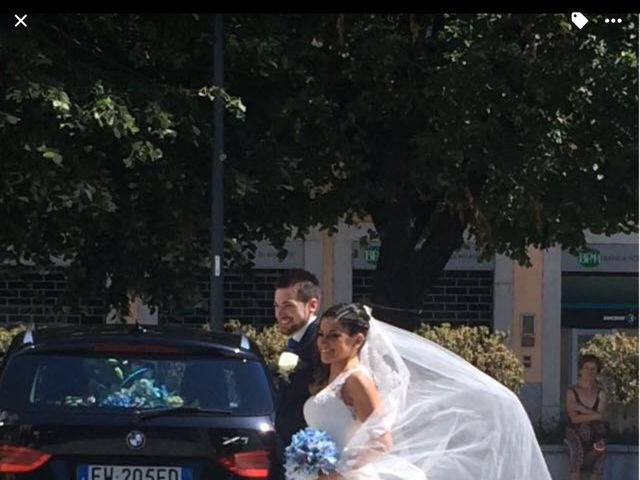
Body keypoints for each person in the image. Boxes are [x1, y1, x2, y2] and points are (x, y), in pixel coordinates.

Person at [301, 303, 552, 480]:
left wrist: (338, 470)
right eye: (322, 334)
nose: (324, 342)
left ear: (357, 340)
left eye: (334, 335)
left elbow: (381, 442)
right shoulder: (331, 380)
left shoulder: (357, 381)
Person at [273, 269, 322, 465]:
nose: (280, 314)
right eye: (276, 306)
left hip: (312, 451)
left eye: (288, 306)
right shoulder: (295, 342)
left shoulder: (320, 343)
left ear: (312, 305)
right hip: (291, 449)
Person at [564, 354, 608, 480]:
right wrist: (596, 415)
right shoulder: (572, 392)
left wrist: (580, 408)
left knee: (598, 461)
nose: (590, 372)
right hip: (575, 433)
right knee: (576, 459)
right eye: (587, 368)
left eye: (593, 369)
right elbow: (574, 418)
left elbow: (601, 416)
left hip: (597, 435)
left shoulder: (601, 393)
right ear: (580, 370)